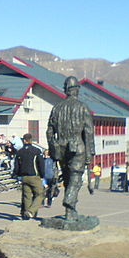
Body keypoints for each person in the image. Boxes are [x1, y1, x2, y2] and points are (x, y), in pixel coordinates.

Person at [46, 76, 95, 221]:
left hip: (61, 146)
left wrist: (53, 147)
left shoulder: (57, 108)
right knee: (75, 178)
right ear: (76, 90)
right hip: (77, 146)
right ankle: (69, 199)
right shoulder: (82, 107)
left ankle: (70, 212)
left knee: (67, 178)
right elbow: (88, 132)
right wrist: (89, 152)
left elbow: (49, 130)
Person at [13, 133, 45, 220]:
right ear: (31, 140)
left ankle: (26, 215)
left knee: (27, 196)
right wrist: (42, 175)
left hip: (24, 176)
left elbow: (16, 165)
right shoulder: (36, 151)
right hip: (34, 175)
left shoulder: (20, 152)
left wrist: (17, 174)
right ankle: (31, 211)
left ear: (24, 140)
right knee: (40, 194)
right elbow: (41, 164)